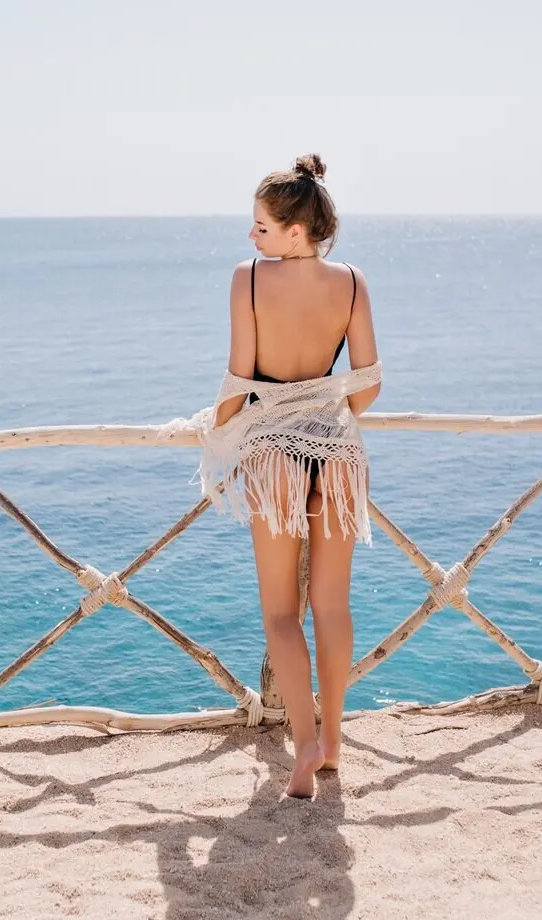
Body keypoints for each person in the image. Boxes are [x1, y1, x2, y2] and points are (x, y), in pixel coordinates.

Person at [199, 153, 381, 799]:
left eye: (263, 227)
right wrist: (323, 408)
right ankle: (335, 743)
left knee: (281, 612)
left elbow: (238, 376)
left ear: (296, 230)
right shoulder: (353, 282)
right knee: (331, 605)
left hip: (273, 452)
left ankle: (302, 745)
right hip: (337, 449)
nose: (253, 237)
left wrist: (213, 433)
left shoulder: (248, 279)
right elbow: (368, 386)